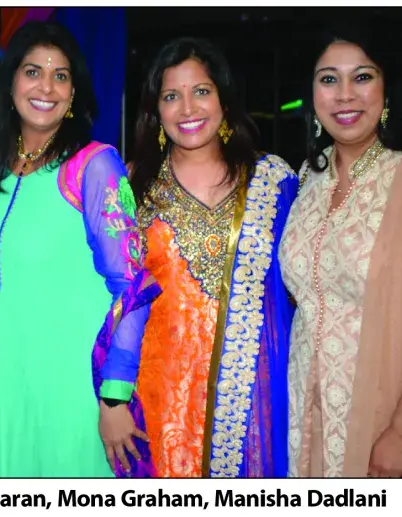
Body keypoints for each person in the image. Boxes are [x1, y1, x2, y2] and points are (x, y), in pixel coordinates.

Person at [0, 21, 159, 478]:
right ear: (11, 83)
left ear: (74, 93)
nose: (46, 87)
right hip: (3, 394)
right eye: (33, 72)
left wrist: (115, 396)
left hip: (71, 397)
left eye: (61, 75)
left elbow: (133, 286)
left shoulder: (94, 166)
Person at [281, 25, 402, 478]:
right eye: (328, 79)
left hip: (398, 412)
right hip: (311, 415)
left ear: (387, 88)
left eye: (362, 77)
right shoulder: (307, 180)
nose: (345, 94)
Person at [129, 37, 298, 478]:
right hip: (159, 401)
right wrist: (111, 401)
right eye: (171, 96)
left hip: (255, 399)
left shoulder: (273, 181)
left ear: (224, 98)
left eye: (201, 91)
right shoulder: (132, 189)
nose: (188, 108)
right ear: (155, 110)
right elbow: (112, 305)